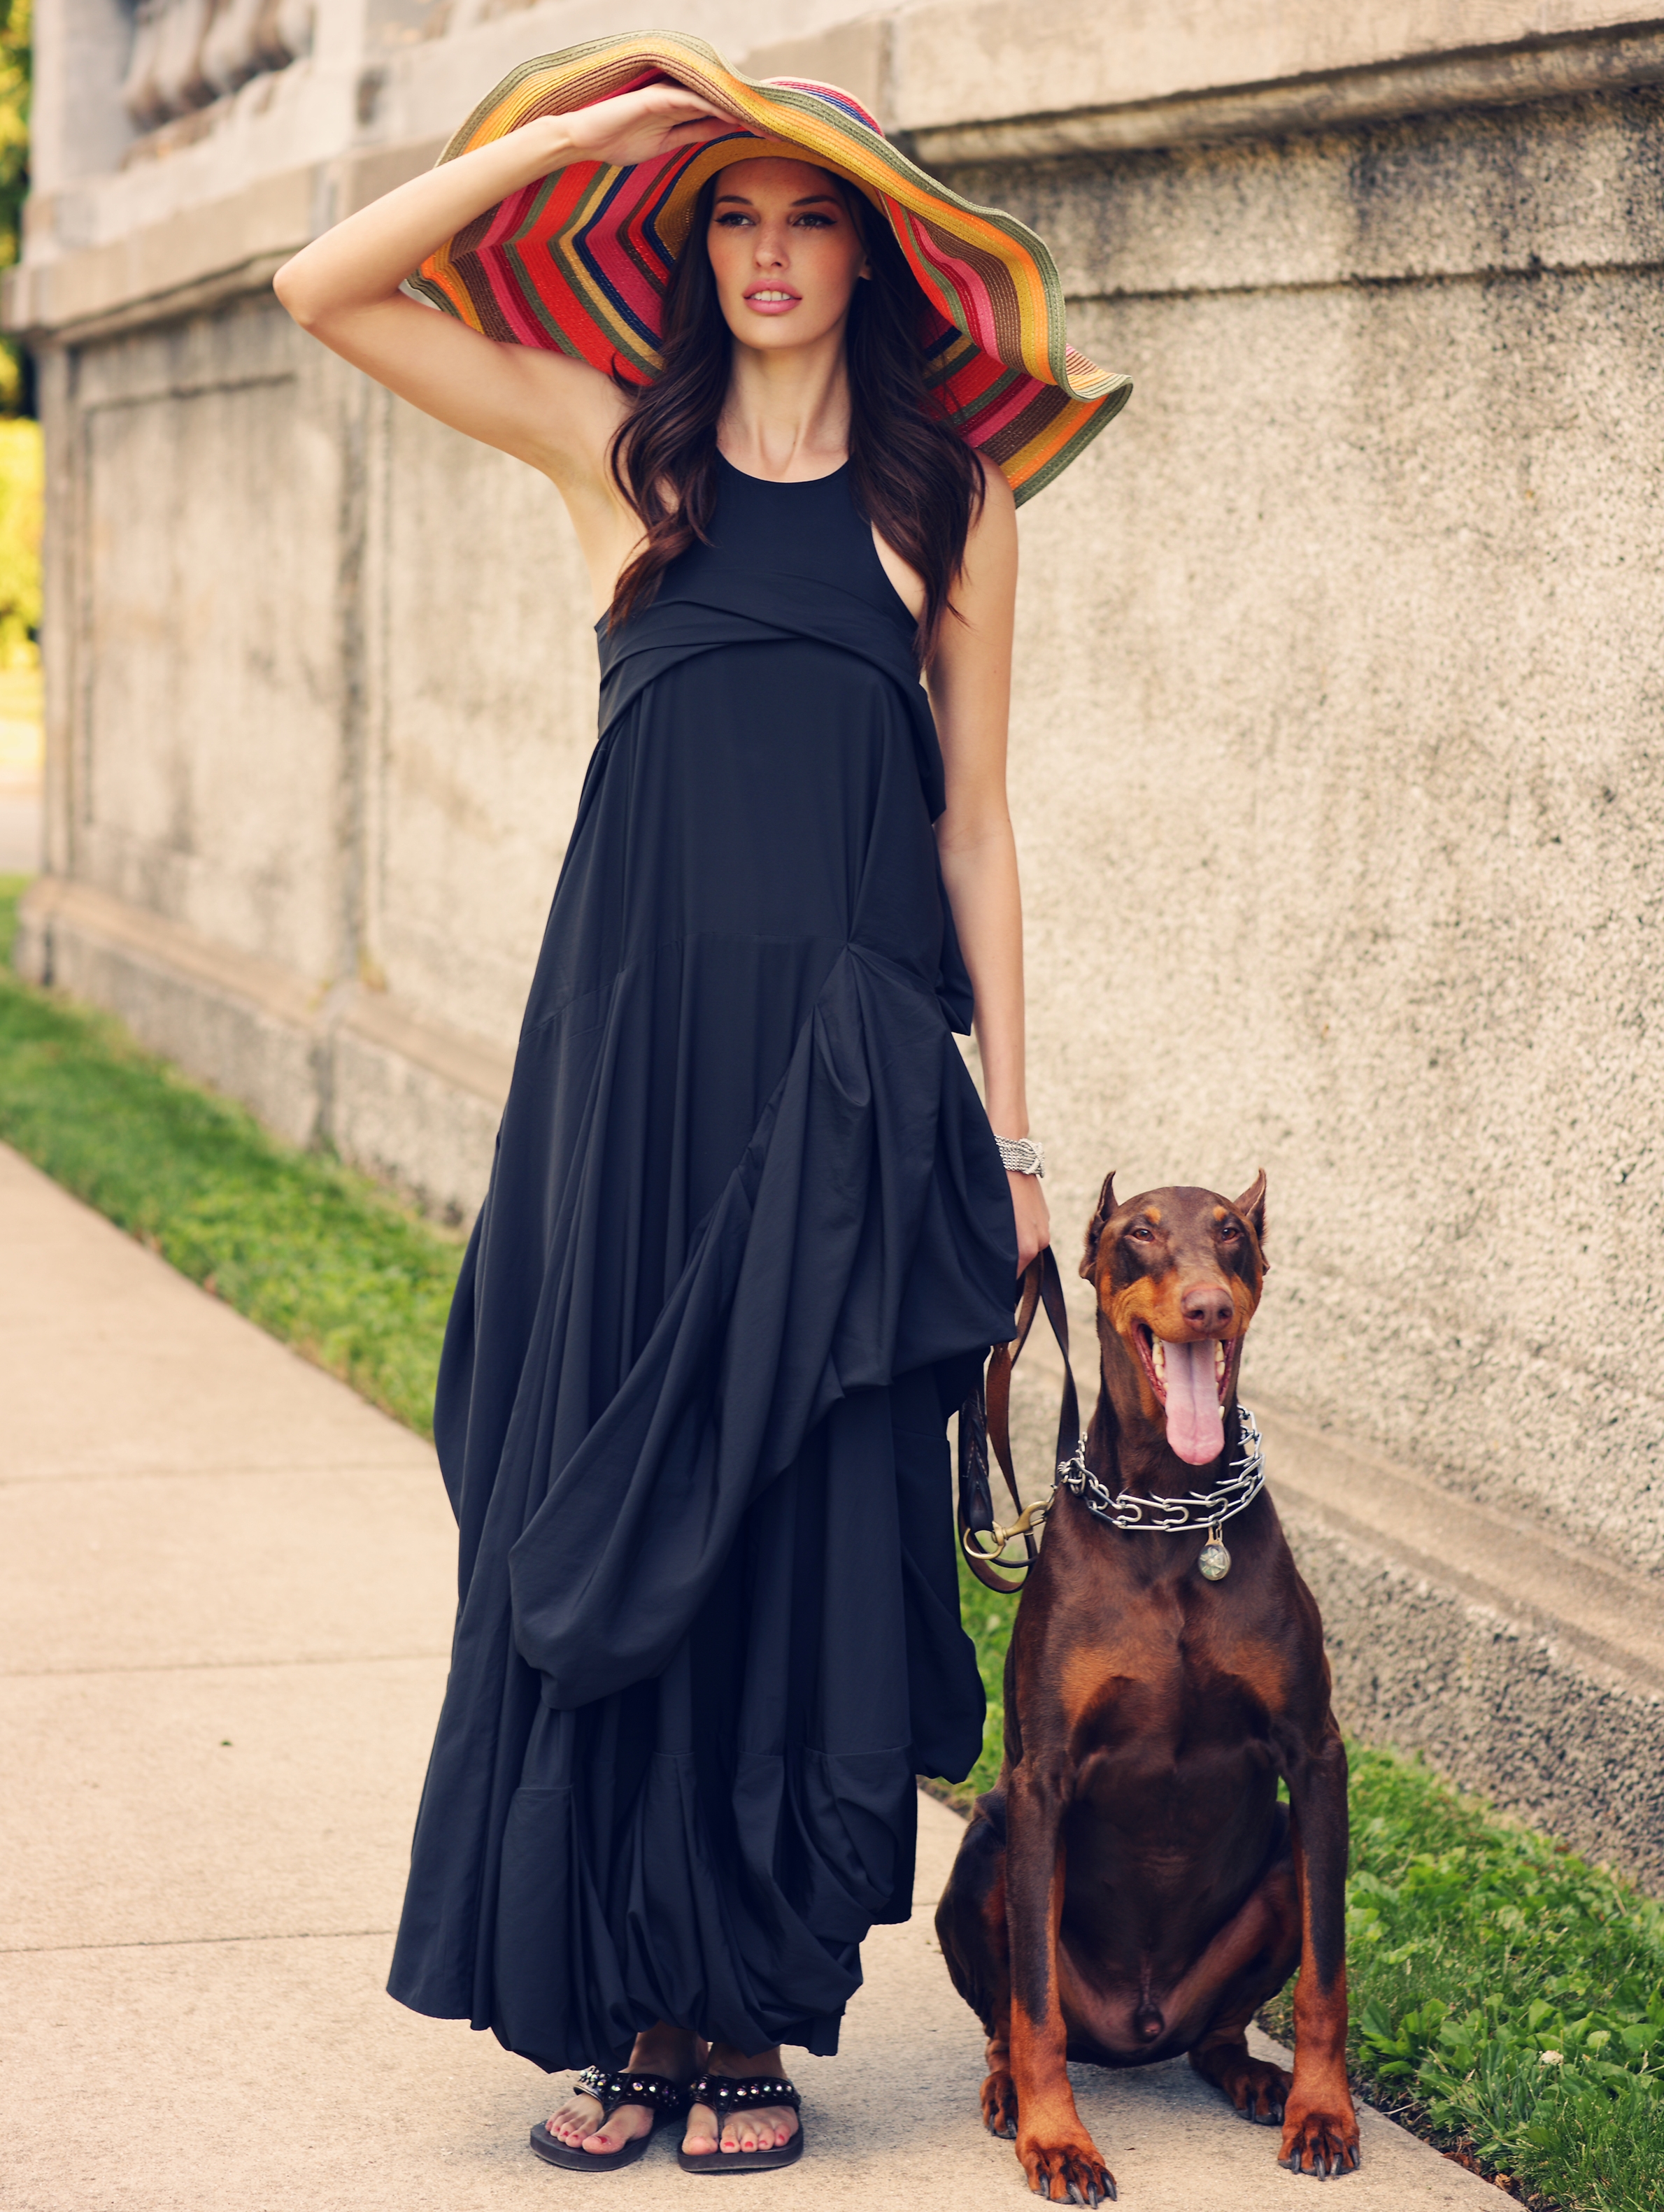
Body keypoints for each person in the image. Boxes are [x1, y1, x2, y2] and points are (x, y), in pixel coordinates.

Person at [274, 32, 1128, 2177]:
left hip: (840, 1113)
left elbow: (975, 831)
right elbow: (324, 289)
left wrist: (1014, 1140)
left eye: (806, 216)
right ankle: (624, 2010)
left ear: (867, 255)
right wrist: (578, 134)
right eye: (731, 217)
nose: (766, 253)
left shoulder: (949, 505)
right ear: (691, 250)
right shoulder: (618, 459)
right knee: (600, 1496)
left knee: (793, 1536)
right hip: (628, 1083)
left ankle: (741, 2022)